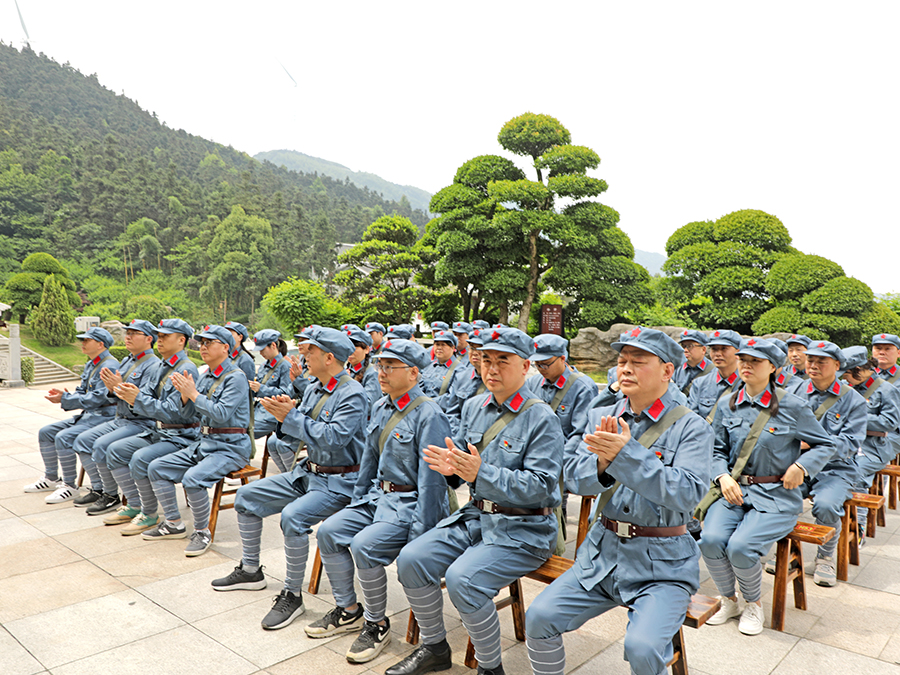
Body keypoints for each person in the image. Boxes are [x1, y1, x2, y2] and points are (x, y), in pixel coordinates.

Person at [524, 327, 712, 675]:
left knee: (641, 648)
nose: (624, 368)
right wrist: (601, 463)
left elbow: (687, 493)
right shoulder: (602, 417)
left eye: (638, 361)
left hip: (662, 566)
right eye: (622, 360)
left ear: (668, 370)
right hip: (602, 557)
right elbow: (575, 477)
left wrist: (625, 455)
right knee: (539, 618)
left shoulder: (691, 427)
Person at [385, 327, 563, 675]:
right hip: (476, 518)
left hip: (524, 528)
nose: (491, 369)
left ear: (526, 366)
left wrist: (480, 474)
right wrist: (452, 469)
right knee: (412, 559)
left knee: (463, 579)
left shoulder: (541, 418)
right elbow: (463, 468)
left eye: (502, 361)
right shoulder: (474, 407)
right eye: (485, 360)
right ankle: (434, 647)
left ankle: (489, 668)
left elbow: (542, 487)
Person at [209, 327, 368, 631]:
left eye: (309, 352)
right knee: (247, 498)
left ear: (329, 357)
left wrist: (291, 417)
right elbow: (299, 426)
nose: (303, 357)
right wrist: (285, 414)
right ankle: (251, 570)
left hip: (340, 481)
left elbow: (333, 438)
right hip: (309, 472)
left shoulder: (352, 394)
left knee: (293, 517)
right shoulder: (315, 387)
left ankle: (292, 594)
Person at [305, 339, 451, 664]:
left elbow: (433, 482)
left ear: (413, 372)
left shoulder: (429, 414)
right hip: (377, 498)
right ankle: (348, 610)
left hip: (408, 503)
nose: (382, 372)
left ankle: (376, 624)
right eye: (380, 365)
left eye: (390, 367)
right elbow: (369, 463)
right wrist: (357, 504)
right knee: (329, 532)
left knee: (364, 546)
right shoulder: (381, 406)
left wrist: (421, 535)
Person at [698, 339, 835, 635]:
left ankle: (753, 604)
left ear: (773, 367)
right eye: (743, 359)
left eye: (755, 361)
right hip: (734, 491)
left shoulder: (793, 406)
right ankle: (729, 599)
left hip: (776, 496)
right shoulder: (727, 403)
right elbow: (715, 450)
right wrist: (722, 477)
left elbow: (826, 444)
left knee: (740, 546)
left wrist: (801, 466)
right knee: (709, 540)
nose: (746, 365)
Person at [142, 325, 253, 556]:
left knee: (193, 479)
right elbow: (188, 416)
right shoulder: (205, 377)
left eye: (209, 343)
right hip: (205, 443)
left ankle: (202, 531)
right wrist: (185, 398)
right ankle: (173, 523)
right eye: (201, 343)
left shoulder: (236, 377)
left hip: (230, 447)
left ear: (225, 347)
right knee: (157, 467)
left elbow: (221, 414)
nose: (203, 347)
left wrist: (193, 394)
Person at [102, 319, 200, 534]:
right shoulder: (163, 366)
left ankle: (157, 516)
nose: (160, 340)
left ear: (181, 340)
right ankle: (135, 506)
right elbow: (146, 397)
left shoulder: (185, 369)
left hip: (181, 434)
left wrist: (137, 399)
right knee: (115, 451)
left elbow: (176, 412)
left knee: (140, 458)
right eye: (160, 335)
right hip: (160, 431)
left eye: (166, 336)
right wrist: (128, 394)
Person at [785, 340, 866, 586]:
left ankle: (825, 557)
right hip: (798, 465)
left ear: (837, 365)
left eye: (822, 361)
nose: (814, 365)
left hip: (836, 469)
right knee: (778, 496)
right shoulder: (795, 391)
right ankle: (789, 552)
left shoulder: (853, 400)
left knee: (826, 505)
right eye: (811, 360)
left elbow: (851, 443)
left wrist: (814, 445)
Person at [70, 320, 160, 515]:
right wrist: (113, 389)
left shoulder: (153, 365)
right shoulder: (128, 360)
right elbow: (115, 393)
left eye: (134, 333)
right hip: (122, 419)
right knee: (83, 440)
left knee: (102, 445)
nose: (128, 336)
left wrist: (118, 387)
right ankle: (100, 488)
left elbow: (143, 402)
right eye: (127, 332)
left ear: (149, 339)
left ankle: (113, 496)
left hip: (141, 422)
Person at [26, 327, 120, 504]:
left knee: (64, 437)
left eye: (87, 340)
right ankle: (51, 478)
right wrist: (66, 395)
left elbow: (99, 397)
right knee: (46, 432)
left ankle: (70, 486)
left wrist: (68, 399)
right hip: (89, 416)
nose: (82, 343)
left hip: (104, 417)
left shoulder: (110, 365)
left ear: (100, 344)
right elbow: (82, 391)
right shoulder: (92, 363)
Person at [840, 345, 900, 544]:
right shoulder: (847, 388)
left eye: (847, 373)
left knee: (856, 472)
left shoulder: (886, 390)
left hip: (877, 444)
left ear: (860, 370)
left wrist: (857, 418)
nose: (844, 378)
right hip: (850, 441)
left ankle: (858, 527)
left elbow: (890, 423)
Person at [440, 328, 487, 436]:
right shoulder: (462, 377)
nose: (475, 353)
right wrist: (456, 439)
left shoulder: (496, 380)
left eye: (480, 349)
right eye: (472, 348)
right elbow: (453, 413)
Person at [688, 329, 742, 422]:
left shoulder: (748, 384)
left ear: (738, 352)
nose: (718, 354)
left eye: (724, 348)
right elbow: (692, 420)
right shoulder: (700, 384)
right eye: (714, 349)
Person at [249, 329, 292, 439]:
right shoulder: (263, 365)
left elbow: (285, 393)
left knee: (246, 433)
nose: (261, 353)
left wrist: (261, 389)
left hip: (271, 413)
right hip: (258, 409)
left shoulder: (285, 366)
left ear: (273, 345)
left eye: (263, 349)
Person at [343, 324, 381, 408]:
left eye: (354, 347)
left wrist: (349, 384)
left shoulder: (372, 372)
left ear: (367, 349)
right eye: (347, 347)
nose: (350, 351)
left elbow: (367, 404)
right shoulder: (346, 369)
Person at [420, 330, 460, 398]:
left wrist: (429, 404)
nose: (439, 348)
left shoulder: (459, 370)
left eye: (443, 345)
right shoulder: (429, 367)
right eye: (437, 344)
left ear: (453, 348)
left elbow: (452, 398)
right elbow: (419, 389)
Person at [674, 329, 713, 396]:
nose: (685, 350)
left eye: (690, 346)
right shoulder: (677, 369)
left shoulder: (713, 371)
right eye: (683, 346)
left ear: (703, 349)